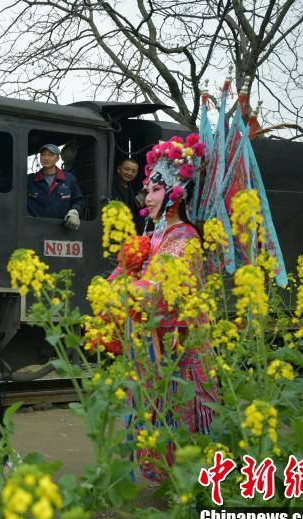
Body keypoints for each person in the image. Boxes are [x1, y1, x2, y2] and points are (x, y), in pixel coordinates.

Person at [110, 135, 218, 483]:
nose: (148, 196)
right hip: (153, 344)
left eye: (156, 189)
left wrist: (122, 292)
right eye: (148, 189)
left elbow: (159, 288)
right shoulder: (156, 234)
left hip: (176, 347)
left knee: (176, 408)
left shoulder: (184, 236)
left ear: (177, 192)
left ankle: (187, 480)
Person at [26, 143, 83, 228]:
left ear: (57, 158)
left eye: (50, 155)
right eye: (43, 155)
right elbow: (10, 190)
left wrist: (74, 212)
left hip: (61, 230)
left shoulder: (69, 179)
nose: (46, 158)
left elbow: (78, 200)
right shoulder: (30, 180)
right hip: (34, 228)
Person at [110, 158, 144, 233]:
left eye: (133, 171)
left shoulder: (131, 190)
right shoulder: (110, 185)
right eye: (127, 169)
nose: (129, 173)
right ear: (119, 169)